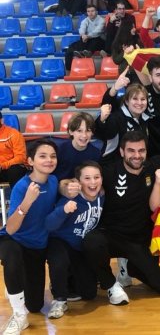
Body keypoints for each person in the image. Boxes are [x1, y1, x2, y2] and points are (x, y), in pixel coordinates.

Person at [70, 131, 160, 306]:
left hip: (139, 242)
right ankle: (110, 284)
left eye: (141, 151)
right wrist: (67, 188)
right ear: (122, 152)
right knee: (91, 243)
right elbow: (81, 179)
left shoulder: (152, 167)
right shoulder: (109, 171)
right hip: (111, 237)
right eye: (131, 151)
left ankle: (132, 268)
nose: (136, 155)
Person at [0, 140, 58, 333]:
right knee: (12, 256)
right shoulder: (21, 186)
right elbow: (10, 229)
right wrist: (26, 202)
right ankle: (18, 315)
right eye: (43, 156)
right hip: (14, 239)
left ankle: (17, 287)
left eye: (52, 156)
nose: (49, 160)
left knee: (35, 305)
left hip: (37, 246)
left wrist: (66, 187)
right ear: (30, 161)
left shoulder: (54, 181)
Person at [45, 161, 104, 319]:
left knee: (89, 294)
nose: (92, 182)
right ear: (78, 182)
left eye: (96, 177)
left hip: (80, 247)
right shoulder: (71, 198)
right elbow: (49, 225)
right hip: (61, 241)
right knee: (60, 260)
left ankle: (69, 278)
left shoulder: (102, 197)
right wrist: (64, 210)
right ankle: (59, 299)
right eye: (87, 178)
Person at [95, 82, 149, 164]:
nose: (139, 103)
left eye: (143, 99)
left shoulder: (145, 119)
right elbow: (103, 133)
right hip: (113, 166)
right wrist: (101, 120)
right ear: (127, 101)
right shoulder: (116, 118)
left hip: (135, 164)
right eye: (135, 99)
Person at [53, 112, 102, 181]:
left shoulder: (96, 153)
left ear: (92, 133)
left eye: (88, 131)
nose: (84, 135)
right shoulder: (59, 150)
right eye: (79, 131)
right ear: (71, 132)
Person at [64, 5, 106, 70]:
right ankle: (68, 69)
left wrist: (88, 36)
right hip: (86, 40)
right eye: (88, 11)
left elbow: (98, 31)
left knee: (95, 40)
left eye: (92, 11)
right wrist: (83, 35)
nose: (90, 13)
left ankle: (85, 52)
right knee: (71, 47)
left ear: (96, 12)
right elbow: (81, 29)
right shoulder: (85, 20)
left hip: (99, 40)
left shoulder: (101, 20)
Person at [0, 111, 29, 189]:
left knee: (15, 169)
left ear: (1, 120)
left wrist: (3, 165)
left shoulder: (14, 134)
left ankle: (17, 199)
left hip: (11, 169)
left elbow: (20, 158)